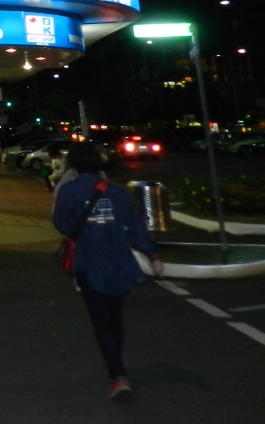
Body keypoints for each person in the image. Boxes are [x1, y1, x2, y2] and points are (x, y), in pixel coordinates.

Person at [53, 142, 162, 401]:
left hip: (89, 264)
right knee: (115, 318)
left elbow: (62, 224)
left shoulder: (69, 191)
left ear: (73, 164)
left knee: (101, 321)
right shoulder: (118, 192)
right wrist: (152, 255)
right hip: (119, 264)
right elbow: (135, 227)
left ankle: (118, 376)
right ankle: (115, 366)